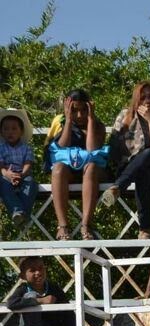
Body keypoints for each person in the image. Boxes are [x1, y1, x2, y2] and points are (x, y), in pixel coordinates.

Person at [99, 82, 150, 238]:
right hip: (131, 169)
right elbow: (114, 148)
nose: (147, 101)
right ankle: (145, 229)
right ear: (136, 101)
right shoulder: (124, 117)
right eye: (143, 97)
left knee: (148, 153)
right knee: (142, 172)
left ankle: (117, 188)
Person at [46, 88, 107, 240]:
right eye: (74, 110)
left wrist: (91, 120)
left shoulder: (98, 125)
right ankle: (63, 226)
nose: (79, 115)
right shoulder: (61, 123)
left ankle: (86, 225)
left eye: (83, 110)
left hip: (92, 171)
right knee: (58, 168)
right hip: (70, 170)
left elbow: (92, 149)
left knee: (91, 166)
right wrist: (68, 120)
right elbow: (62, 147)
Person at [6, 256, 71, 326]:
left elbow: (69, 315)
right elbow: (11, 303)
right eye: (32, 270)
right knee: (30, 295)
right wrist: (40, 301)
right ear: (22, 276)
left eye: (41, 268)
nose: (38, 273)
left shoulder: (54, 288)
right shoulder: (23, 289)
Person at [0, 108, 36, 231]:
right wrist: (8, 175)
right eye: (6, 129)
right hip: (6, 174)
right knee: (3, 185)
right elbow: (1, 166)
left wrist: (21, 174)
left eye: (14, 128)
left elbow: (28, 163)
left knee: (31, 184)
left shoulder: (26, 148)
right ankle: (19, 211)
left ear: (21, 131)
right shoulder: (1, 148)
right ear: (1, 132)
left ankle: (21, 215)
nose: (10, 132)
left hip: (23, 174)